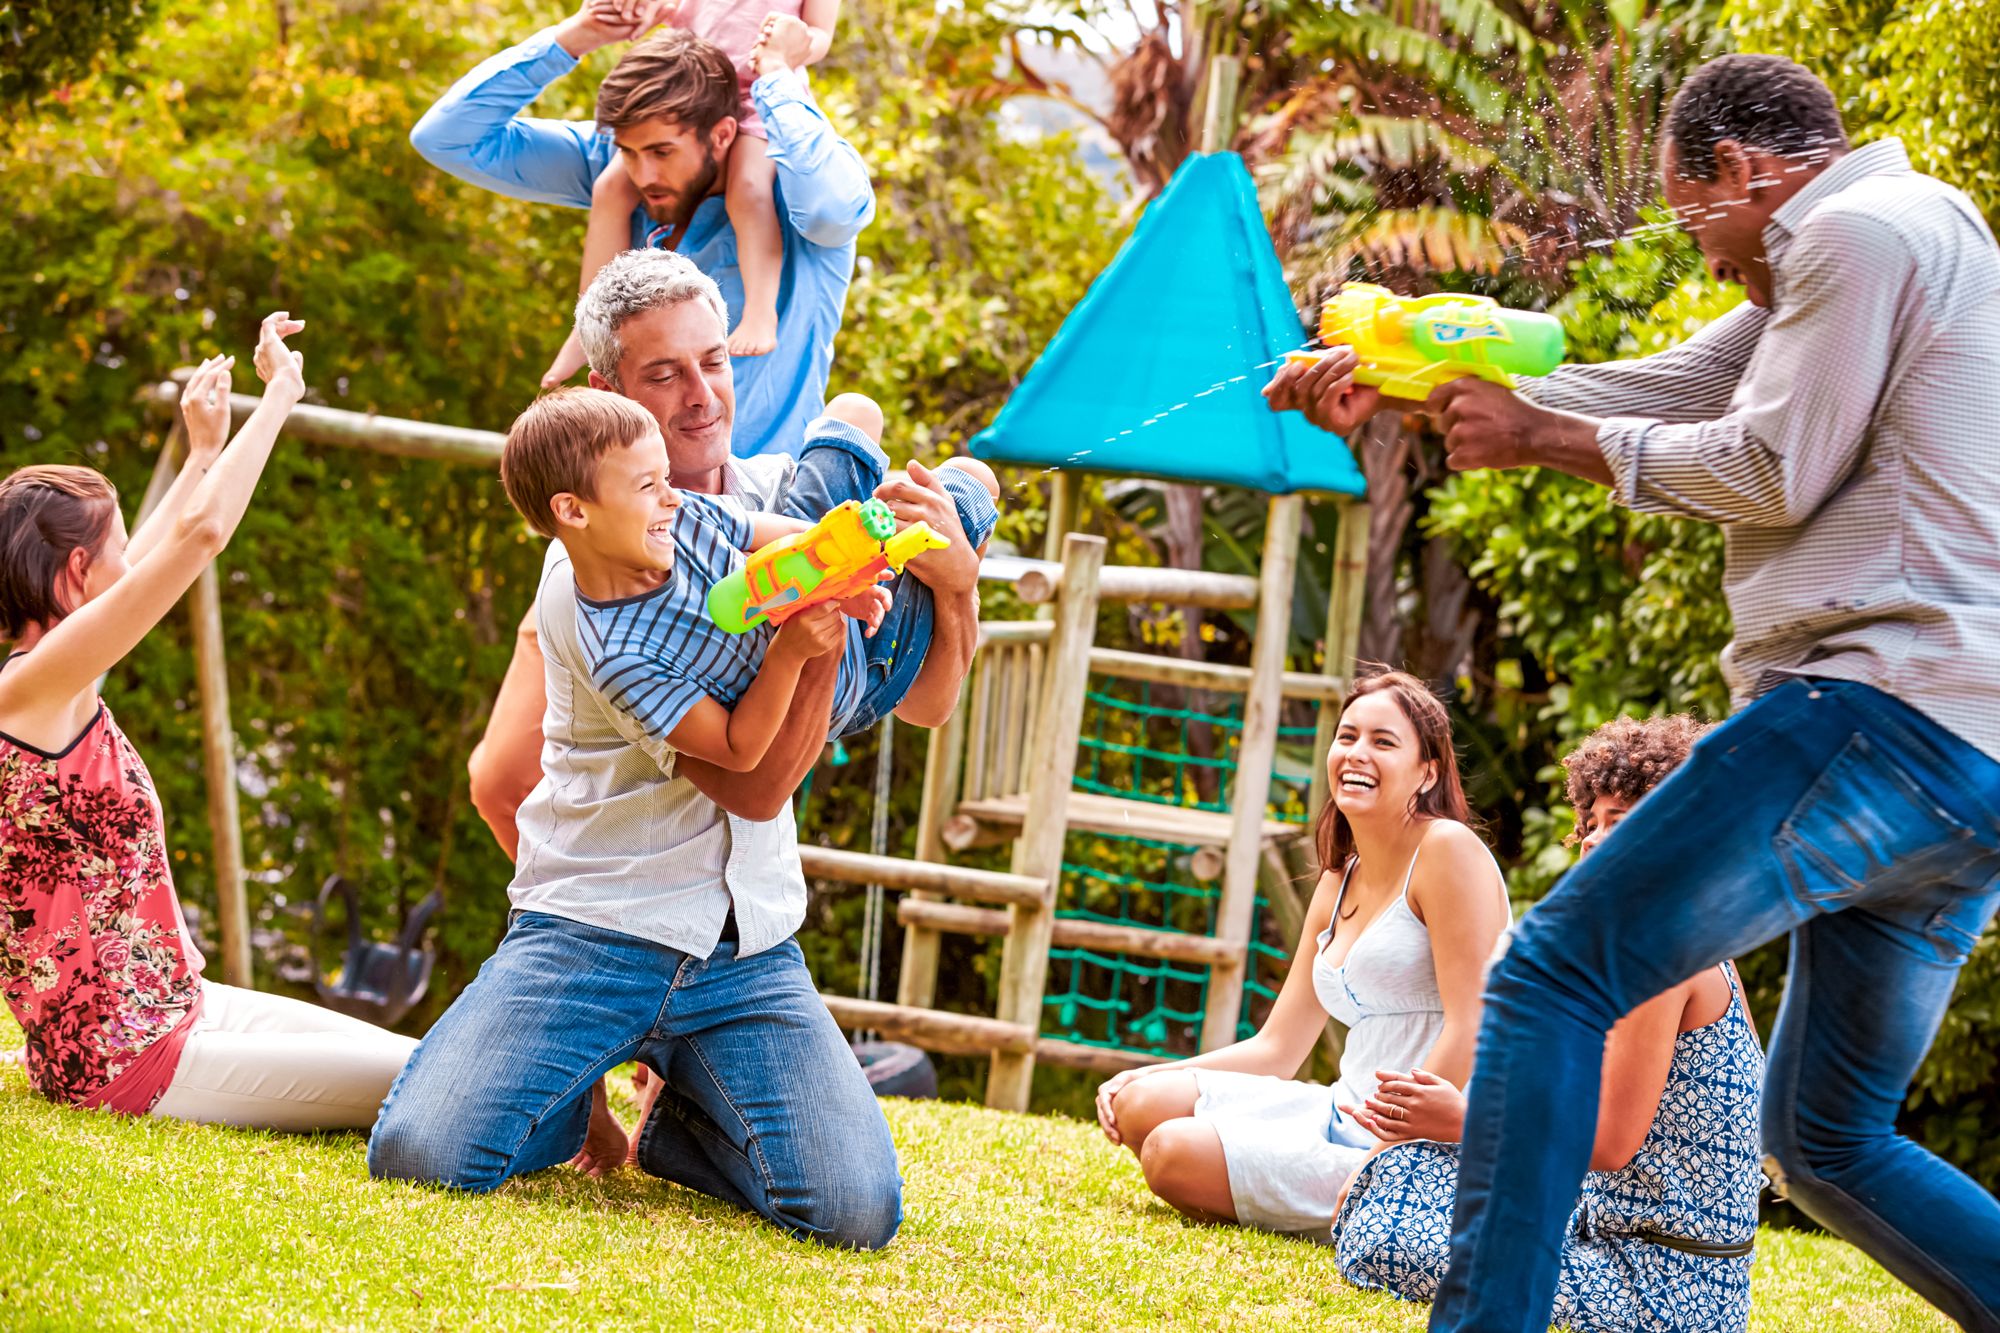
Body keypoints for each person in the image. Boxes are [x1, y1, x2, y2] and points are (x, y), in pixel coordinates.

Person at [1266, 53, 2000, 1332]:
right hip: (1970, 770)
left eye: (1692, 214)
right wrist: (1401, 379)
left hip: (1873, 713)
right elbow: (1673, 390)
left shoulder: (1843, 237)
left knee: (1551, 972)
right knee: (1823, 1135)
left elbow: (1770, 466)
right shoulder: (1902, 229)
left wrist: (1537, 438)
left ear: (1740, 171)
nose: (1705, 257)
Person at [0, 313, 418, 1132]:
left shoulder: (53, 683)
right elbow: (198, 536)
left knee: (429, 1058)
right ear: (77, 572)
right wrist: (280, 399)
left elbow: (160, 547)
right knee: (440, 1083)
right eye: (118, 551)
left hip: (180, 1006)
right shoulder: (30, 694)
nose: (136, 568)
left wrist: (200, 452)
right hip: (131, 1058)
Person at [467, 249, 994, 860]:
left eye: (714, 362)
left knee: (925, 456)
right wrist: (811, 619)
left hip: (757, 904)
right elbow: (755, 784)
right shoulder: (593, 582)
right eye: (664, 376)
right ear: (608, 394)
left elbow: (928, 709)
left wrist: (957, 581)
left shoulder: (763, 492)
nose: (701, 396)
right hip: (653, 900)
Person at [1335, 715, 1765, 1333]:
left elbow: (1612, 1143)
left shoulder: (1663, 957)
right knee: (1408, 1169)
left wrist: (1462, 1119)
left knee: (1388, 1231)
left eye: (1621, 823)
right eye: (1591, 824)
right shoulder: (1660, 938)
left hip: (1662, 1288)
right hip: (1605, 1231)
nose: (1592, 840)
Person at [1090, 671, 1512, 1239]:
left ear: (1427, 771)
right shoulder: (1341, 876)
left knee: (1169, 1153)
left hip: (1421, 1143)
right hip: (1341, 1110)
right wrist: (1147, 1072)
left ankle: (1358, 1203)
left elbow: (1473, 1026)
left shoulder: (1447, 851)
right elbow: (1277, 1048)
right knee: (1142, 1102)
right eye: (1348, 736)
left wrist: (1381, 1159)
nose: (1357, 753)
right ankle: (1284, 1180)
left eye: (1383, 742)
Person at [410, 0, 872, 455]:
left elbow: (833, 210)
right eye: (631, 152)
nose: (645, 174)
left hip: (766, 512)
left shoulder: (795, 189)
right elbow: (446, 138)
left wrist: (776, 78)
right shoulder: (620, 168)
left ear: (722, 134)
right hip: (634, 511)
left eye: (663, 152)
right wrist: (579, 36)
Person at [544, 0, 841, 383]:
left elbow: (819, 36)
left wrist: (785, 50)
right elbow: (677, 11)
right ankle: (589, 322)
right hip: (689, 95)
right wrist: (641, 13)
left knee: (748, 190)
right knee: (610, 188)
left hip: (756, 97)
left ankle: (760, 313)